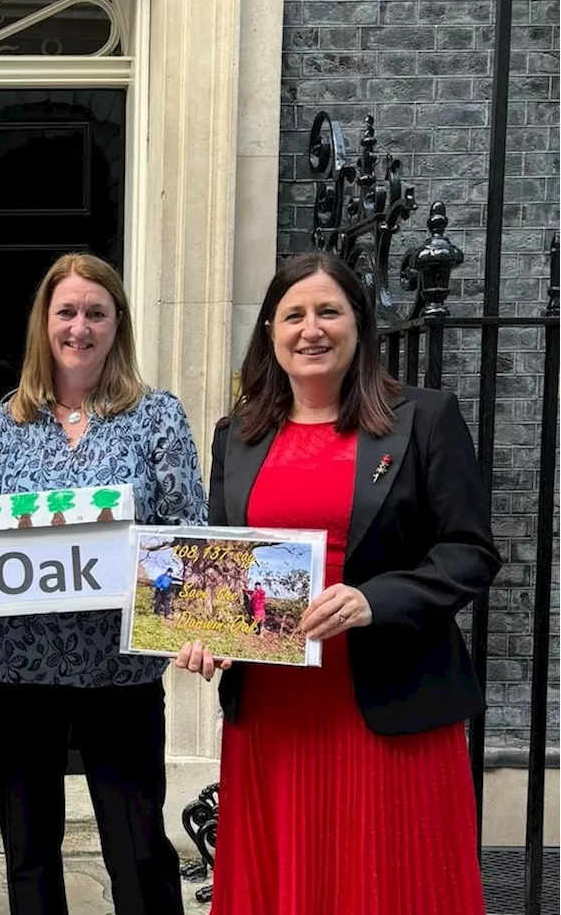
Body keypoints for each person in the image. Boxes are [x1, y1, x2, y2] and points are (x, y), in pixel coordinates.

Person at [176, 252, 500, 915]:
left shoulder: (426, 418)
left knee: (388, 885)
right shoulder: (234, 436)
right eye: (293, 314)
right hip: (274, 711)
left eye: (329, 311)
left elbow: (470, 551)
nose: (310, 328)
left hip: (387, 706)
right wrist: (206, 636)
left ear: (359, 324)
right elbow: (220, 565)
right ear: (270, 330)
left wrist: (372, 600)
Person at [0, 253, 206, 915]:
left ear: (117, 324)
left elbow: (188, 531)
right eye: (67, 311)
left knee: (140, 853)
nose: (80, 326)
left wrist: (190, 619)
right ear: (44, 323)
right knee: (30, 856)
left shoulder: (156, 417)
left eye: (96, 311)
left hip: (119, 671)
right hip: (14, 670)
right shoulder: (2, 425)